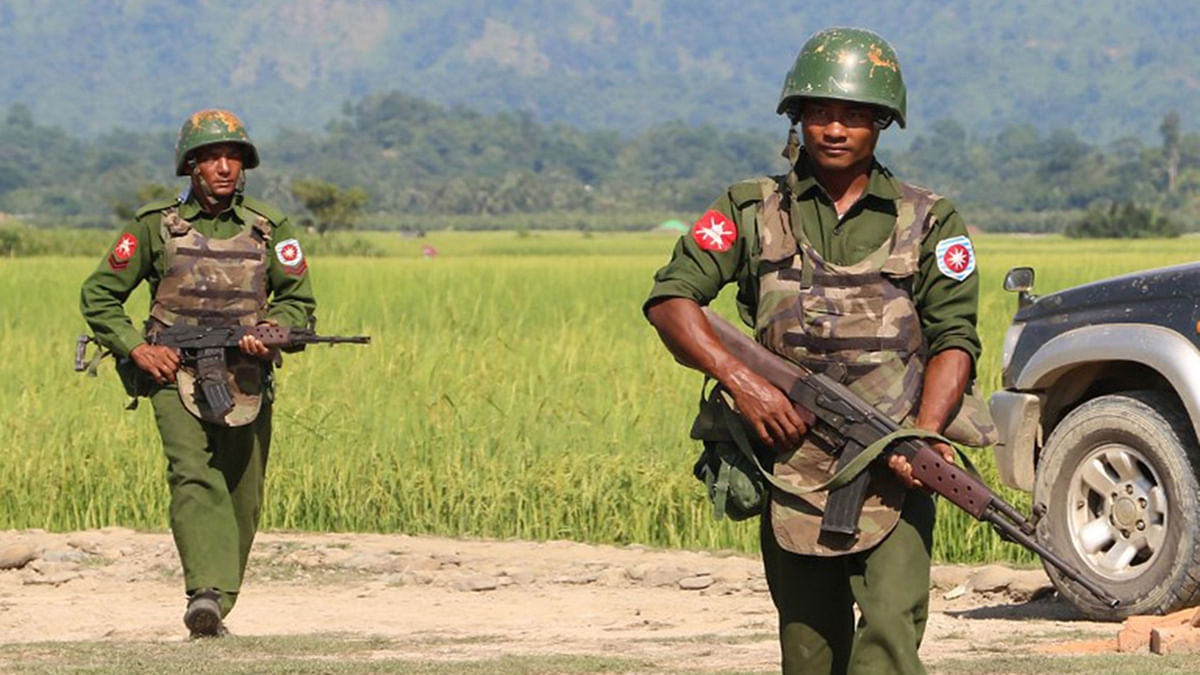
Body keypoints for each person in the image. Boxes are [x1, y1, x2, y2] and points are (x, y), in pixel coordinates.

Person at [644, 28, 994, 674]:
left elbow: (954, 337)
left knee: (889, 634)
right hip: (791, 467)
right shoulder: (751, 211)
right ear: (796, 119)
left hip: (894, 463)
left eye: (855, 115)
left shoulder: (930, 219)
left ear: (882, 123)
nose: (835, 129)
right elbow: (672, 302)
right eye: (819, 113)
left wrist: (922, 434)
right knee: (809, 653)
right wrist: (745, 384)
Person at [80, 109, 315, 638]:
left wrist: (274, 329)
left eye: (233, 157)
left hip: (245, 374)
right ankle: (203, 594)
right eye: (212, 158)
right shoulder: (152, 226)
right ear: (191, 166)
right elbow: (99, 295)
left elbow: (299, 300)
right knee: (192, 473)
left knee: (244, 490)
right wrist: (137, 348)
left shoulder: (270, 227)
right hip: (171, 372)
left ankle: (219, 600)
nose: (224, 167)